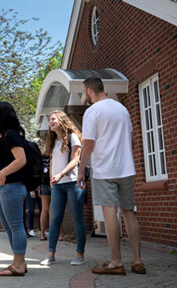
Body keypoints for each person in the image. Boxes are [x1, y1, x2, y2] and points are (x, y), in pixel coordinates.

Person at [78, 77, 146, 275]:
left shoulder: (92, 112)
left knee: (110, 212)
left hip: (105, 170)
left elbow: (88, 144)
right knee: (128, 212)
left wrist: (81, 169)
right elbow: (131, 139)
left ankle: (116, 262)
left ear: (89, 90)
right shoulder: (121, 109)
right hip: (126, 168)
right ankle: (137, 260)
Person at [40, 110, 86, 266]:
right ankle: (50, 255)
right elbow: (52, 161)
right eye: (49, 120)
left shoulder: (73, 137)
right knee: (55, 219)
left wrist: (60, 174)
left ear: (62, 121)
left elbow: (75, 160)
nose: (50, 122)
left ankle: (79, 254)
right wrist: (52, 179)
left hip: (73, 183)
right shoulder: (53, 140)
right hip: (58, 185)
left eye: (53, 119)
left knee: (77, 218)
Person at [0, 101, 28, 276]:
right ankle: (20, 262)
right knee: (9, 227)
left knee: (16, 225)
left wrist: (4, 172)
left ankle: (18, 265)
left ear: (1, 116)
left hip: (12, 186)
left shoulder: (11, 135)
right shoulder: (1, 136)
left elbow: (21, 159)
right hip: (2, 187)